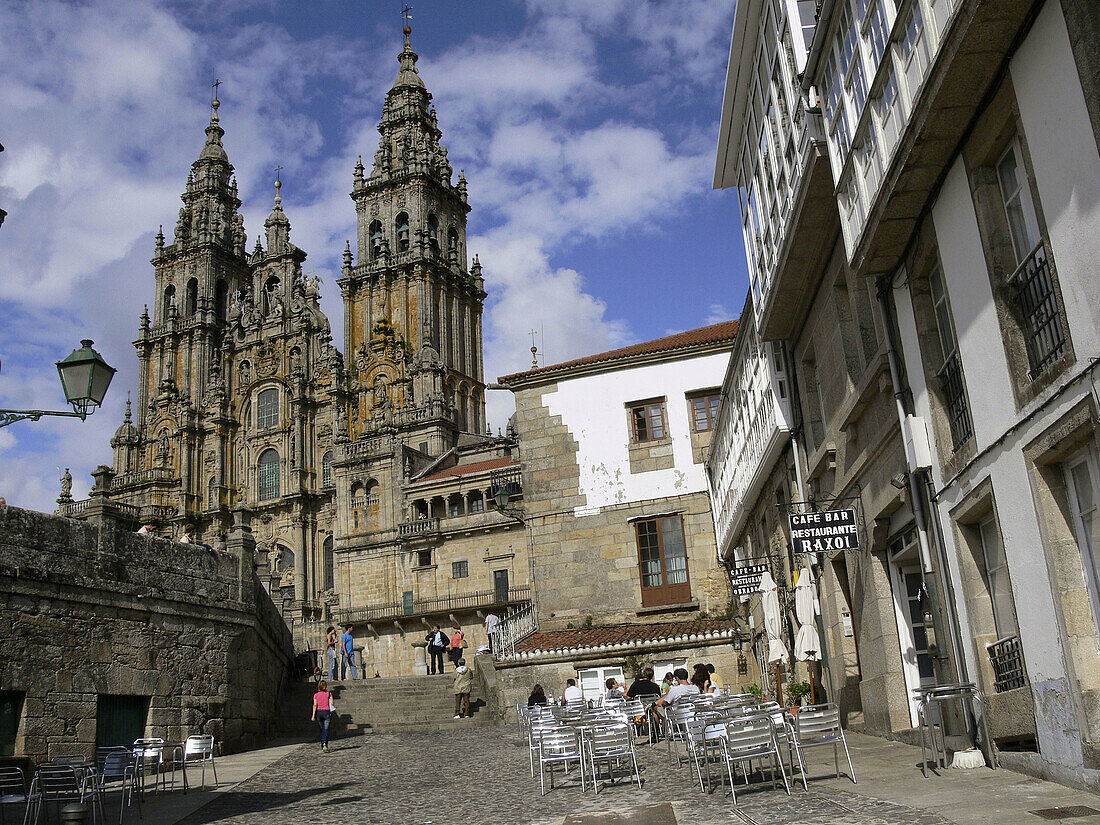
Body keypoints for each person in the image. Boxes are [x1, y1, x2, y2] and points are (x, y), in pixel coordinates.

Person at [311, 678, 336, 753]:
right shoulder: (329, 694)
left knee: (322, 730)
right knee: (326, 729)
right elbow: (332, 703)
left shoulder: (316, 695)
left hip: (319, 712)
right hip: (326, 712)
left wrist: (313, 715)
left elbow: (315, 705)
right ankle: (325, 744)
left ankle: (323, 744)